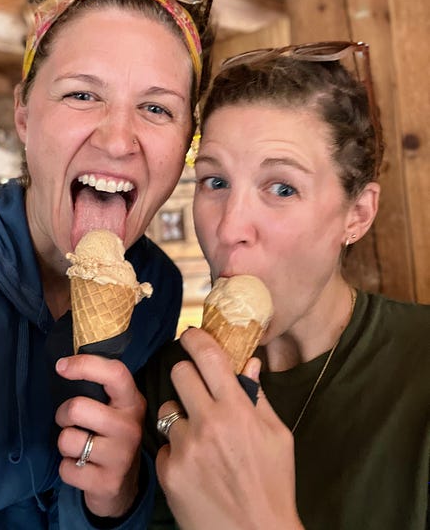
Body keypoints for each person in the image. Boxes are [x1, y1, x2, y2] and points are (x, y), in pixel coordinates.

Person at [0, 0, 217, 527]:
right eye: (81, 93)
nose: (119, 139)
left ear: (186, 142)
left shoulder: (157, 294)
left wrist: (116, 498)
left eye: (156, 108)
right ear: (23, 112)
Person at [139, 42, 430, 530]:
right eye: (214, 182)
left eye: (282, 188)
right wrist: (113, 505)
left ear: (357, 215)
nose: (230, 227)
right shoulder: (163, 384)